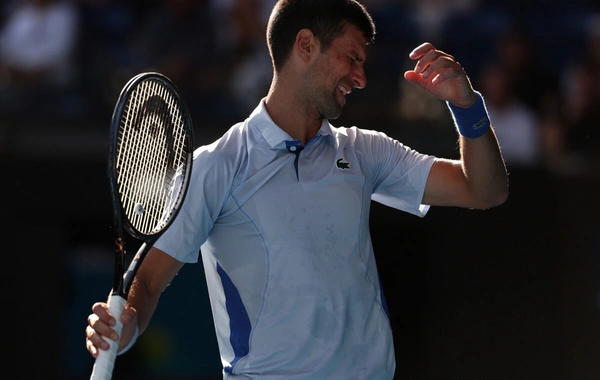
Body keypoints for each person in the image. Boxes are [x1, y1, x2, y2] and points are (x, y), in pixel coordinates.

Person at [85, 0, 508, 378]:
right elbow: (149, 281)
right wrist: (124, 327)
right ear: (305, 46)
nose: (360, 78)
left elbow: (484, 190)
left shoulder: (365, 152)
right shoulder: (218, 165)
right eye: (351, 59)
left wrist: (467, 107)